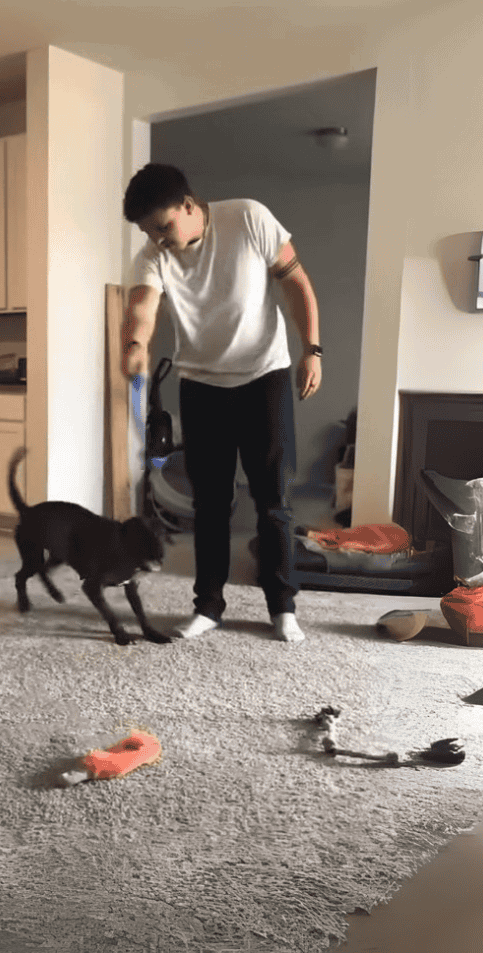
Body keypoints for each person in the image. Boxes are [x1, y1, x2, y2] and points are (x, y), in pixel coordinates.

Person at [121, 163, 322, 643]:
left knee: (274, 500)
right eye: (150, 232)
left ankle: (282, 608)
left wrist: (311, 349)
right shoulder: (152, 254)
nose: (159, 239)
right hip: (202, 386)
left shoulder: (249, 218)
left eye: (164, 226)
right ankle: (208, 606)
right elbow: (142, 310)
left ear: (189, 206)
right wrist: (134, 347)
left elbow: (297, 285)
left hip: (263, 378)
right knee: (210, 503)